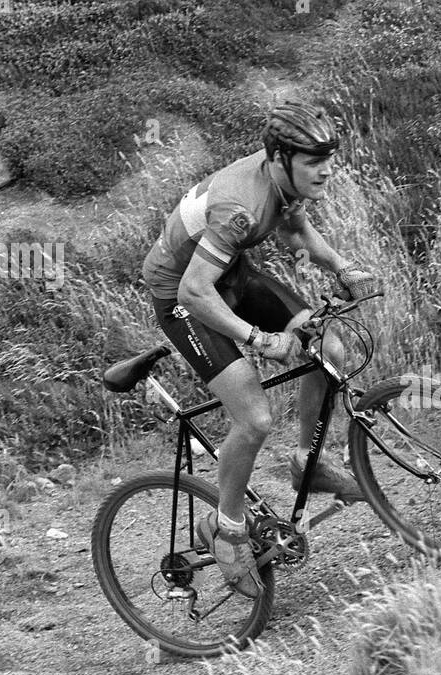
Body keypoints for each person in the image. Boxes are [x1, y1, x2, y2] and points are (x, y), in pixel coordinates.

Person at [140, 100, 376, 597]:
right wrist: (259, 341)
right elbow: (193, 293)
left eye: (327, 158)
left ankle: (303, 466)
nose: (327, 170)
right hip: (182, 292)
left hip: (231, 275)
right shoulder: (239, 208)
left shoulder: (282, 178)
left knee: (329, 350)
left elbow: (293, 225)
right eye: (314, 162)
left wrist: (342, 267)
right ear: (279, 158)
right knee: (254, 418)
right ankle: (226, 529)